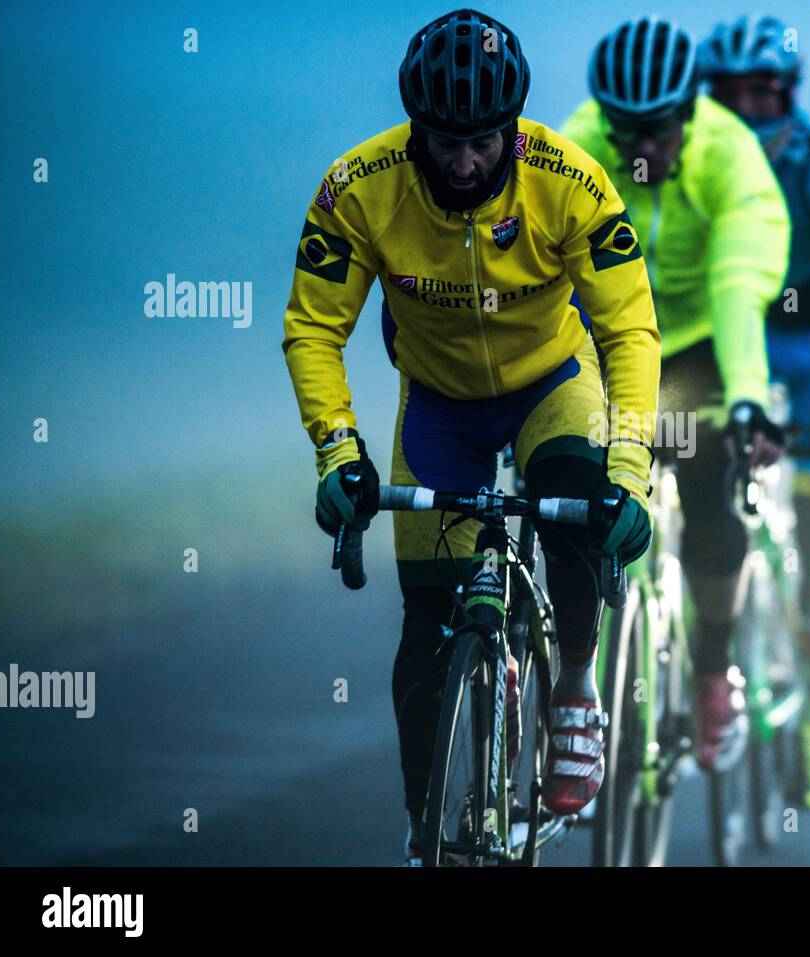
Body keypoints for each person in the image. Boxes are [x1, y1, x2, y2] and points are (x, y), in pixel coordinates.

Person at [281, 8, 661, 864]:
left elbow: (631, 329)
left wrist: (628, 472)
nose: (463, 161)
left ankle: (572, 685)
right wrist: (339, 452)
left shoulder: (570, 181)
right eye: (444, 141)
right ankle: (424, 828)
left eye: (483, 142)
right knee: (425, 627)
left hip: (551, 387)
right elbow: (314, 328)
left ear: (511, 129)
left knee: (574, 507)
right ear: (415, 128)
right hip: (441, 402)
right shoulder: (358, 187)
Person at [562, 16, 790, 773]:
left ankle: (710, 668)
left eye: (656, 130)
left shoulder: (732, 158)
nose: (640, 149)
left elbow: (737, 288)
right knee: (576, 489)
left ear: (689, 113)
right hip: (609, 335)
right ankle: (582, 683)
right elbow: (547, 269)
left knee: (708, 493)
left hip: (699, 343)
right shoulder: (581, 142)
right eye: (623, 130)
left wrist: (750, 398)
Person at [701, 13, 810, 811]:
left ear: (790, 94)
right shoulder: (688, 154)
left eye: (761, 93)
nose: (745, 109)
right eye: (729, 94)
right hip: (723, 340)